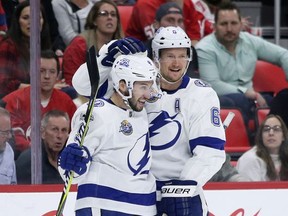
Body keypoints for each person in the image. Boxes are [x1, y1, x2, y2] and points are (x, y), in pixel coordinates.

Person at [72, 27, 226, 216]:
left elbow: (210, 151)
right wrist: (106, 57)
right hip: (143, 196)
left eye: (182, 55)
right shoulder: (136, 82)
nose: (177, 63)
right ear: (156, 57)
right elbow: (83, 87)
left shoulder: (201, 94)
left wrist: (182, 188)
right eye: (169, 55)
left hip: (181, 192)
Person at [58, 54, 158, 215]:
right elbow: (71, 174)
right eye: (143, 87)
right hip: (104, 205)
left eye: (150, 87)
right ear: (123, 86)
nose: (148, 94)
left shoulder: (141, 113)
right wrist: (71, 161)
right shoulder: (97, 113)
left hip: (143, 206)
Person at [195, 2, 288, 125]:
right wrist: (246, 92)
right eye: (224, 24)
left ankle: (275, 140)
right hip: (223, 99)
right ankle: (253, 139)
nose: (229, 29)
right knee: (240, 100)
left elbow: (283, 55)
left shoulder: (249, 41)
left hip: (252, 98)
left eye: (233, 23)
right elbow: (213, 84)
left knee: (283, 98)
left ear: (240, 24)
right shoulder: (205, 48)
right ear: (215, 26)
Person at [1, 50, 77, 158]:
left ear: (58, 75)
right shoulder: (13, 101)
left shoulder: (66, 102)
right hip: (23, 163)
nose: (47, 76)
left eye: (52, 71)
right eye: (41, 71)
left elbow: (76, 136)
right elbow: (10, 140)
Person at [63, 0, 124, 86]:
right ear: (94, 20)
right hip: (84, 94)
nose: (109, 17)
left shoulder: (123, 45)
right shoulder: (79, 44)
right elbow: (72, 81)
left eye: (113, 14)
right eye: (104, 14)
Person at [0, 1, 52, 99]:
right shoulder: (7, 45)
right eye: (26, 18)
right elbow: (3, 84)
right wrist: (41, 88)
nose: (32, 22)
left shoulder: (43, 45)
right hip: (11, 102)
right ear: (17, 21)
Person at [145, 1, 199, 78]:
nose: (176, 26)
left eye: (180, 21)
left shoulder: (191, 50)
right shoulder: (144, 50)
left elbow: (190, 78)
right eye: (170, 20)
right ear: (156, 24)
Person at [16, 110, 70, 184]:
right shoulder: (29, 162)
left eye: (64, 130)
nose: (59, 136)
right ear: (43, 133)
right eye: (54, 129)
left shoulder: (72, 160)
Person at [236, 114, 288, 181]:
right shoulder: (250, 159)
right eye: (266, 129)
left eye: (276, 129)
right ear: (261, 136)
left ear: (283, 136)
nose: (271, 133)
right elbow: (250, 190)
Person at [125, 0, 201, 45]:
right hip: (141, 52)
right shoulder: (145, 4)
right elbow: (160, 41)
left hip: (177, 53)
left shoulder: (188, 4)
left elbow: (194, 41)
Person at [0, 107, 16, 185]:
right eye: (5, 132)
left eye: (10, 132)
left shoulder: (9, 151)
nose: (9, 136)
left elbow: (13, 186)